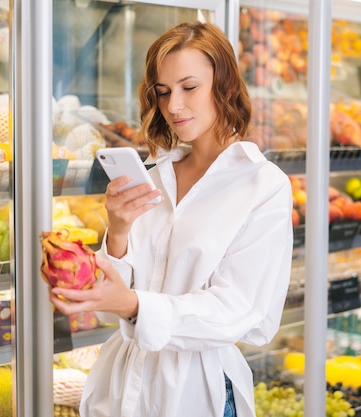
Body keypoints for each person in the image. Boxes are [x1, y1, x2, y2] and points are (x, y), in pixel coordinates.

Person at [49, 21, 294, 417]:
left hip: (197, 393)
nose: (173, 106)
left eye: (189, 87)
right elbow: (117, 287)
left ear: (226, 85)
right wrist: (118, 231)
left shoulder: (262, 185)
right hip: (122, 387)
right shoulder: (153, 174)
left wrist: (132, 305)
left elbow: (238, 309)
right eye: (162, 93)